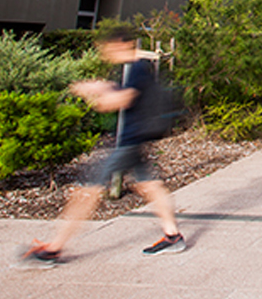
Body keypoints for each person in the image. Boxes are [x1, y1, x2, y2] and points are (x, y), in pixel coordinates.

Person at [20, 27, 184, 267]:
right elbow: (124, 93)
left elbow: (119, 100)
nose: (106, 54)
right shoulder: (133, 68)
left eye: (108, 49)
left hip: (128, 140)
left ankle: (53, 249)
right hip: (135, 138)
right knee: (150, 185)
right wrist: (101, 87)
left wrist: (93, 97)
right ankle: (173, 235)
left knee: (88, 192)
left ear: (121, 45)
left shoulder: (135, 69)